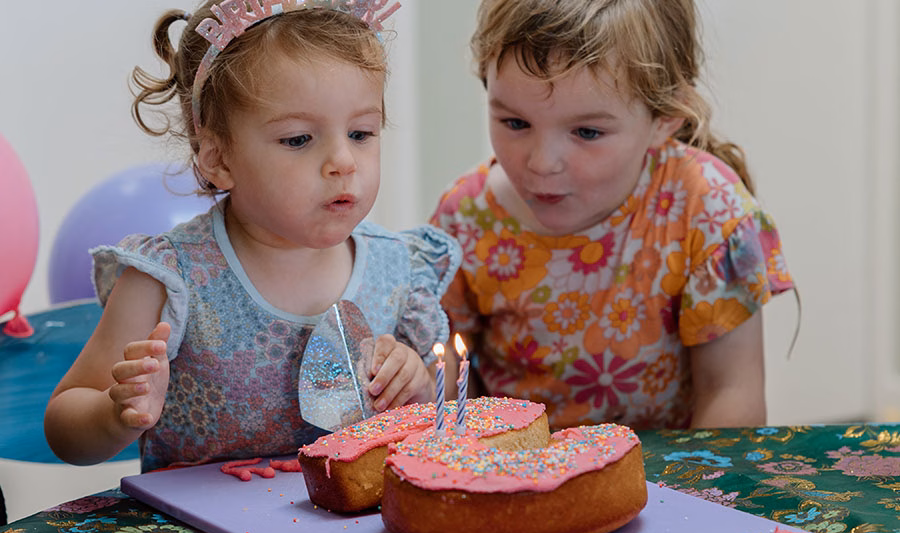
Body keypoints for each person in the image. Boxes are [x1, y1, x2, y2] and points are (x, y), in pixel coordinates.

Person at [45, 0, 460, 472]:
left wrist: (420, 386)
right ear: (219, 159)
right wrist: (114, 413)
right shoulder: (171, 280)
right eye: (298, 139)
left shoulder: (399, 266)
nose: (343, 161)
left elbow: (444, 409)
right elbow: (63, 425)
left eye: (361, 133)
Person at [430, 0, 794, 430]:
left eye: (587, 132)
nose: (542, 163)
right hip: (515, 483)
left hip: (665, 488)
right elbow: (449, 386)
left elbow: (730, 394)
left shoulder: (706, 207)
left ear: (665, 117)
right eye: (515, 123)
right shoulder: (465, 219)